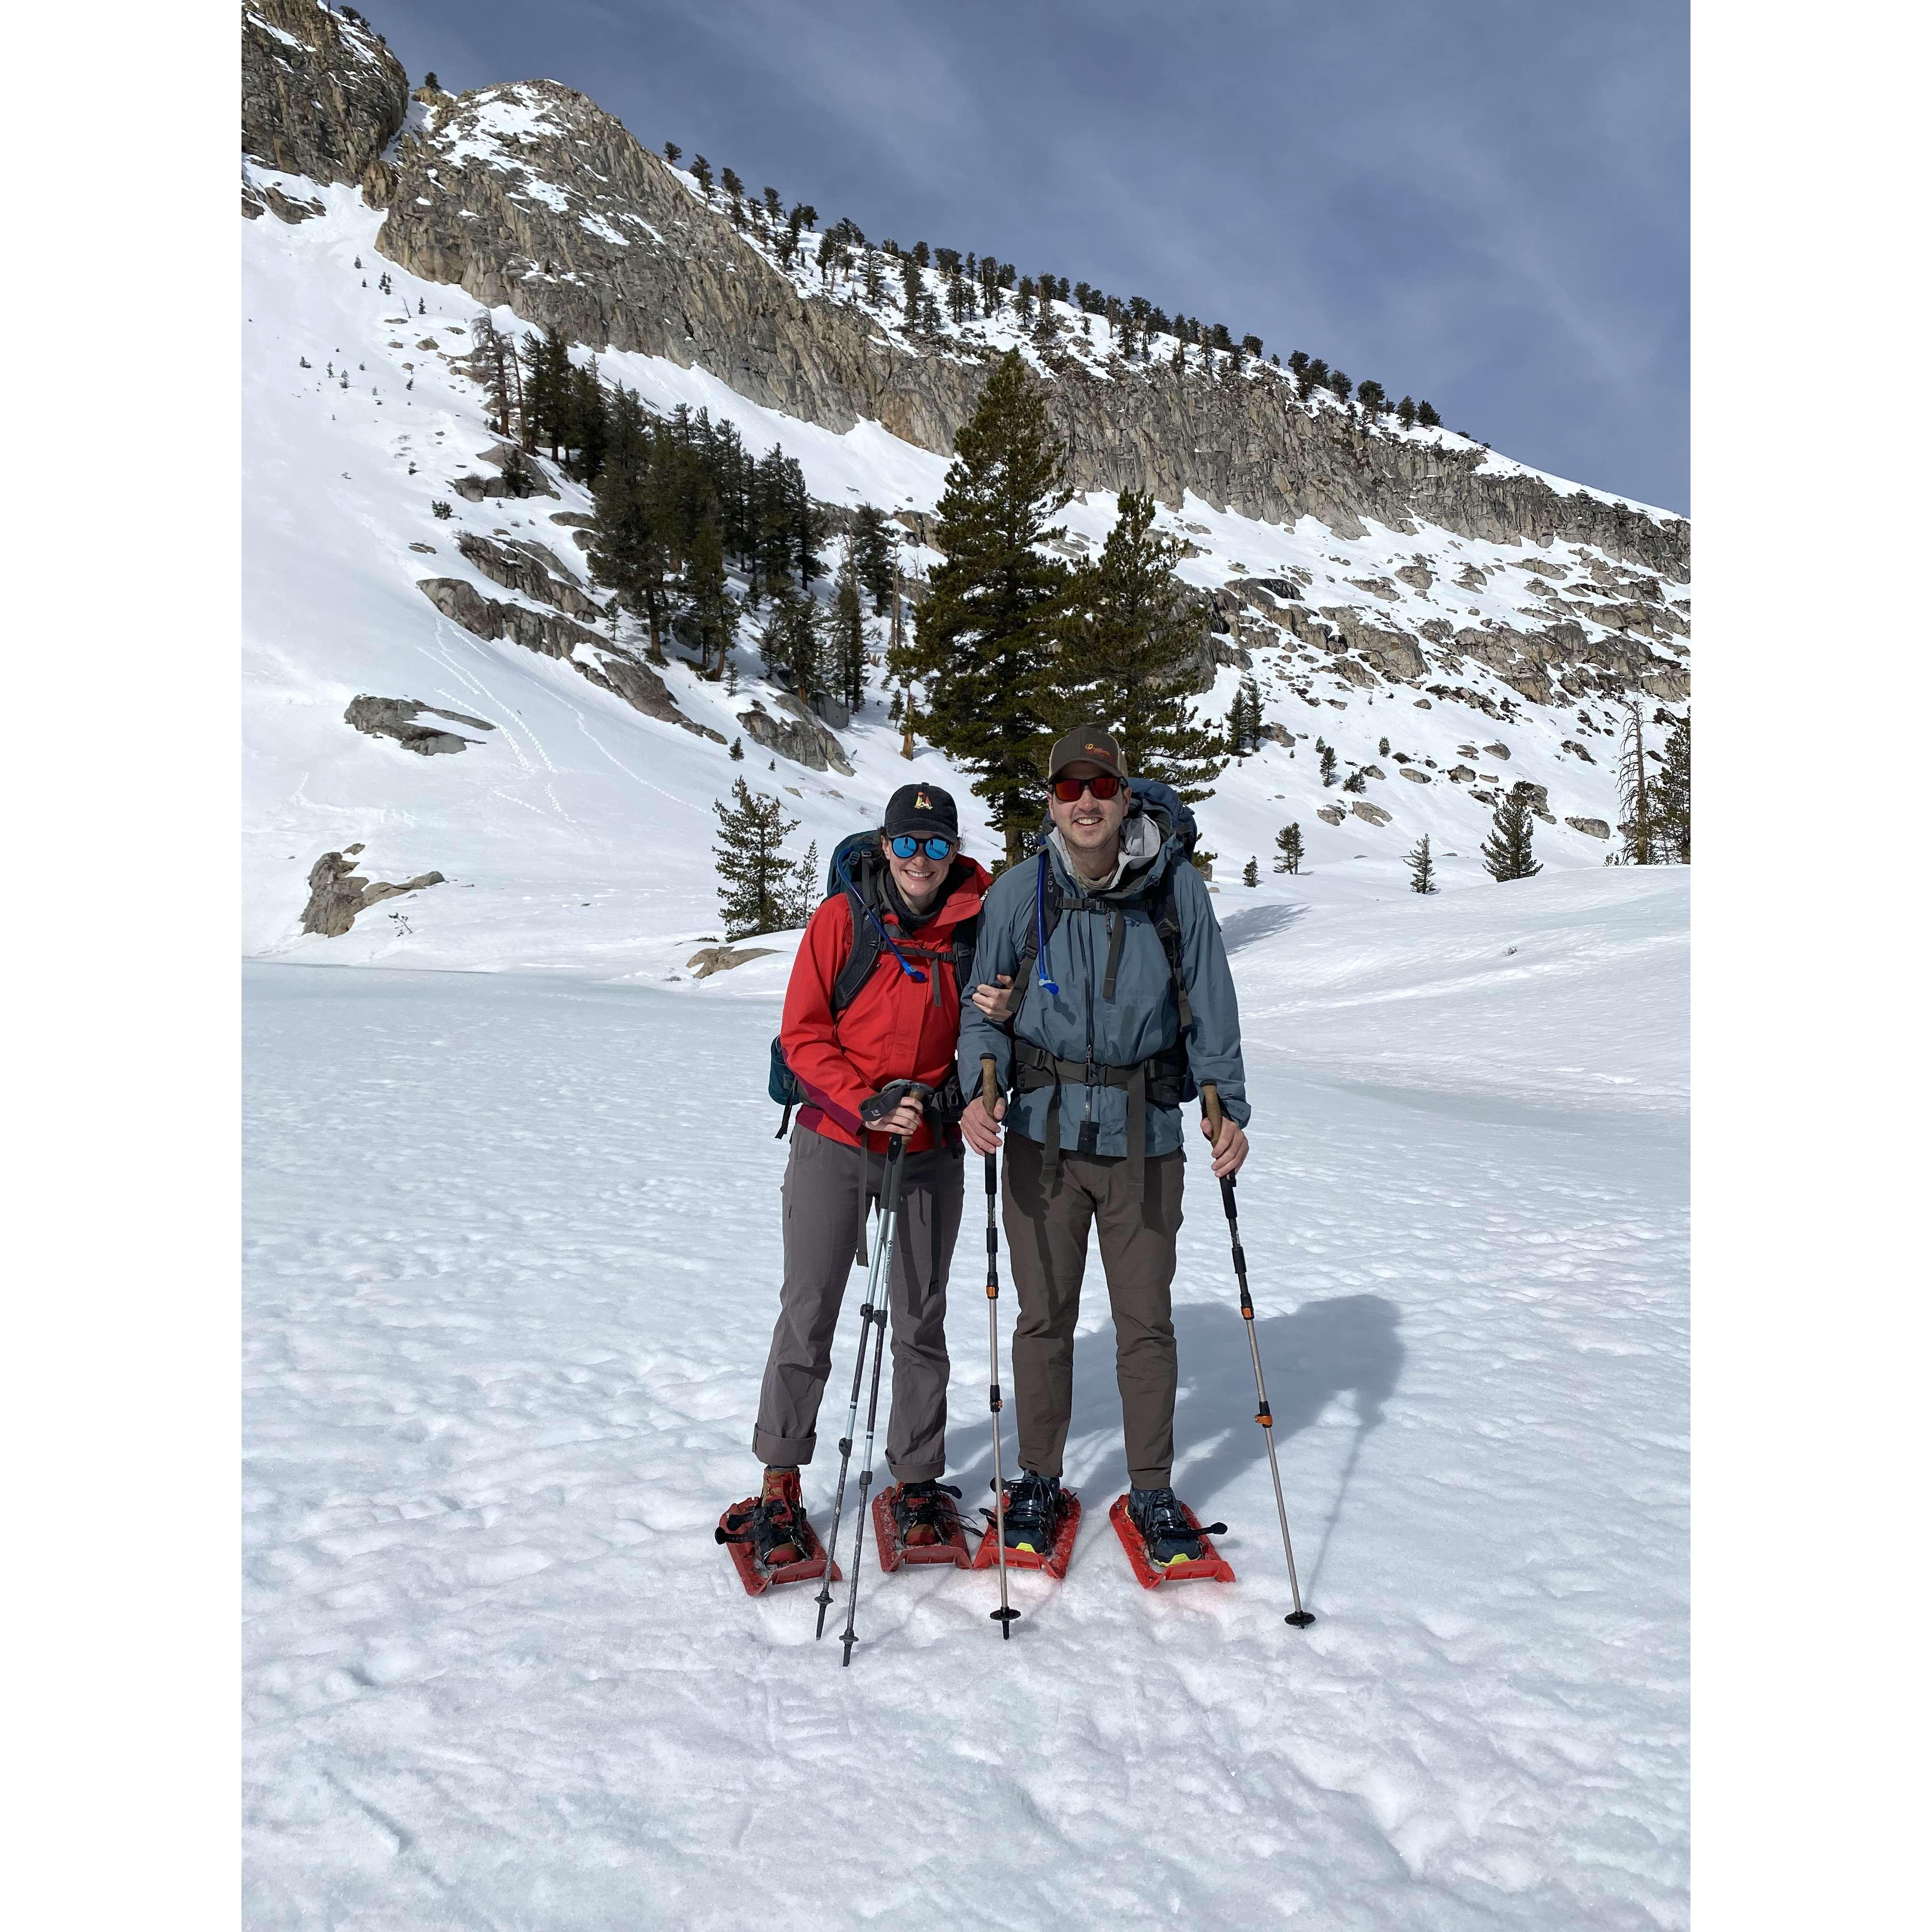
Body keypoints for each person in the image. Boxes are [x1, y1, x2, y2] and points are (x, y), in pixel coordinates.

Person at [958, 724, 1251, 1570]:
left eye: (1101, 785)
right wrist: (983, 1085)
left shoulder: (1176, 892)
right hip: (1043, 1137)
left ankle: (1152, 1487)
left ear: (1126, 796)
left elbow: (1212, 1005)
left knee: (1145, 1322)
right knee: (1044, 1318)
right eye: (1067, 787)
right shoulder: (1020, 892)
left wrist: (1225, 1106)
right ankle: (1040, 1479)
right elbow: (983, 1008)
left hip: (1146, 1135)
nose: (1084, 800)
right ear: (1051, 802)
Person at [732, 782, 991, 1581]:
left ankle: (916, 1480)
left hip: (929, 1145)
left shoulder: (975, 929)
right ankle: (780, 1476)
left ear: (953, 854)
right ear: (886, 847)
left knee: (923, 1317)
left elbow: (989, 1029)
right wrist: (866, 1100)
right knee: (809, 1306)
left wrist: (962, 1088)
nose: (921, 860)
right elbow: (803, 1035)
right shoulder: (842, 920)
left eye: (937, 846)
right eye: (908, 844)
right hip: (837, 1137)